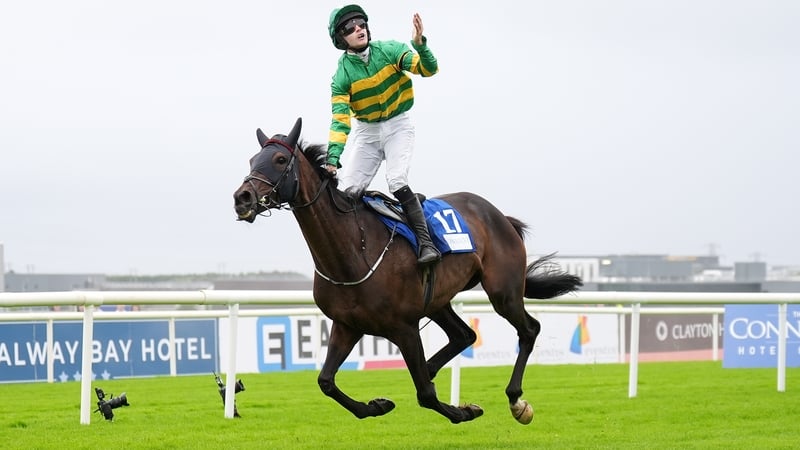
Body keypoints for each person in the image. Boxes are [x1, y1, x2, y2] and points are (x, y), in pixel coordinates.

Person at [325, 4, 441, 266]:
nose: (358, 29)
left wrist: (420, 45)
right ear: (340, 38)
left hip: (398, 125)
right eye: (349, 28)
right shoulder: (341, 76)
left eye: (361, 24)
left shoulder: (389, 50)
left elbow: (428, 69)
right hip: (367, 133)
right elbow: (340, 121)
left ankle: (426, 243)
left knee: (396, 179)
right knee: (347, 192)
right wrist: (333, 158)